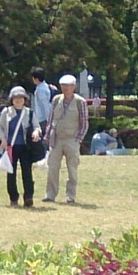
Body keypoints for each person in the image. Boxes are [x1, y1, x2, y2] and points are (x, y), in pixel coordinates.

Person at [43, 74, 89, 203]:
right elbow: (51, 119)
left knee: (72, 169)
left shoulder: (80, 102)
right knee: (52, 168)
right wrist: (47, 136)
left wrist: (78, 140)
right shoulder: (56, 99)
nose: (65, 88)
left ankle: (70, 195)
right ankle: (50, 194)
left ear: (74, 86)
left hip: (72, 139)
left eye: (68, 86)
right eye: (63, 85)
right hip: (56, 139)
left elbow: (84, 123)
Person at [0, 86, 40, 208]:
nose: (18, 100)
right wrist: (3, 139)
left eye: (21, 98)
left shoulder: (29, 112)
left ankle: (28, 197)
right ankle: (13, 198)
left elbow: (37, 126)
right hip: (11, 147)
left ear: (25, 99)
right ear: (11, 100)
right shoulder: (6, 112)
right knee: (11, 173)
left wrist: (36, 132)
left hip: (26, 147)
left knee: (27, 172)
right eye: (15, 98)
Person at [31, 68, 52, 135]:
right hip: (42, 118)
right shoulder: (45, 86)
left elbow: (45, 105)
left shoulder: (41, 90)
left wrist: (48, 121)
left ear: (36, 79)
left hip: (42, 119)